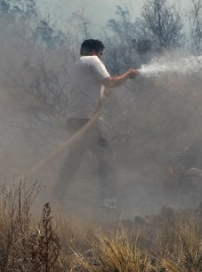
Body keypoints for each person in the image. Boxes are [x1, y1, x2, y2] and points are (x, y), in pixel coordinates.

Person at [53, 39, 139, 217]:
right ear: (94, 52)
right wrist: (128, 75)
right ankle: (108, 203)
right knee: (107, 157)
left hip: (73, 120)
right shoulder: (92, 61)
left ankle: (56, 197)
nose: (101, 58)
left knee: (73, 160)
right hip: (86, 121)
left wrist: (104, 92)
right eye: (101, 54)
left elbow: (94, 90)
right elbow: (110, 82)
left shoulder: (76, 66)